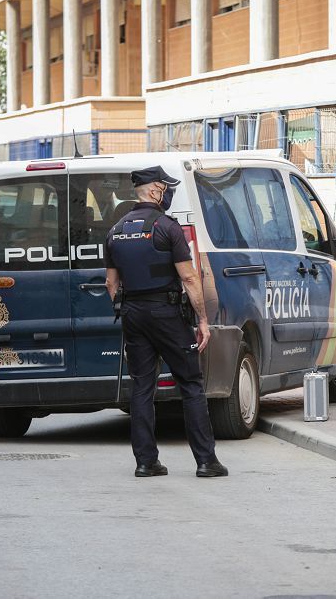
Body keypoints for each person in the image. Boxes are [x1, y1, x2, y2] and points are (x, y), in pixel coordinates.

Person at [104, 166, 227, 478]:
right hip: (166, 313)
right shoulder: (166, 227)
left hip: (133, 313)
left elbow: (110, 285)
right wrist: (202, 319)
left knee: (142, 386)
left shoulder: (116, 230)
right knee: (190, 383)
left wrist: (131, 308)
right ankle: (206, 461)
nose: (168, 192)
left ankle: (146, 462)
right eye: (166, 187)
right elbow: (188, 276)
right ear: (156, 189)